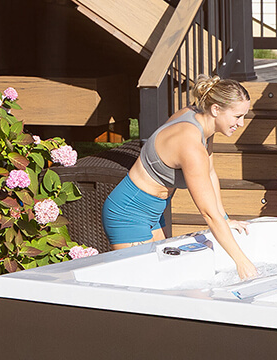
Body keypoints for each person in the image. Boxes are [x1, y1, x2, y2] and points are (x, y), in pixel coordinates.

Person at [102, 77, 258, 280]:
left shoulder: (197, 118)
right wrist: (242, 262)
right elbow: (208, 214)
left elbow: (210, 172)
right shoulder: (191, 146)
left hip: (154, 211)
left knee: (167, 276)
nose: (241, 123)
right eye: (237, 116)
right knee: (145, 282)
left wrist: (225, 218)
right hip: (128, 214)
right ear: (216, 109)